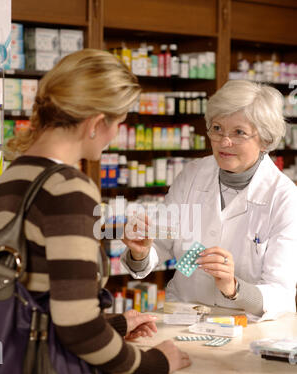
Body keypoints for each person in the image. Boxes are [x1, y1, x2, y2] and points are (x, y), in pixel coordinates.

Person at [0, 49, 190, 374]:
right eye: (118, 122)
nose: (116, 133)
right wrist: (155, 363)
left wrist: (117, 326)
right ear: (96, 122)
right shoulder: (68, 189)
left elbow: (29, 300)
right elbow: (78, 328)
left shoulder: (13, 174)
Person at [122, 80, 297, 319]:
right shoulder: (193, 175)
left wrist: (234, 287)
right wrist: (140, 253)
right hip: (184, 318)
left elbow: (280, 292)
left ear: (265, 140)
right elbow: (160, 245)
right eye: (217, 129)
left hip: (248, 328)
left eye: (239, 133)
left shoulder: (284, 197)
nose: (225, 142)